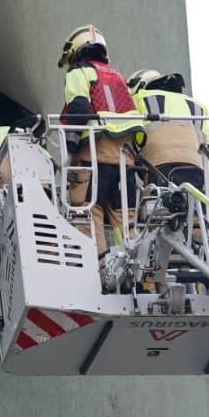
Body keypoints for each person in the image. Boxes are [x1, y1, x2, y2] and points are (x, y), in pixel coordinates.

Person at [56, 25, 145, 251]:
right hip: (124, 159)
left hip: (93, 156)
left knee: (88, 213)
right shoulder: (118, 77)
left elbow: (78, 108)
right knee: (126, 220)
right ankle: (139, 278)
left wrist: (69, 150)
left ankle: (98, 274)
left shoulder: (79, 72)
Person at [127, 69, 209, 190]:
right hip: (195, 171)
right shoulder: (198, 106)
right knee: (195, 205)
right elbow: (208, 148)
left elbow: (126, 138)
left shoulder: (139, 99)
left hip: (158, 169)